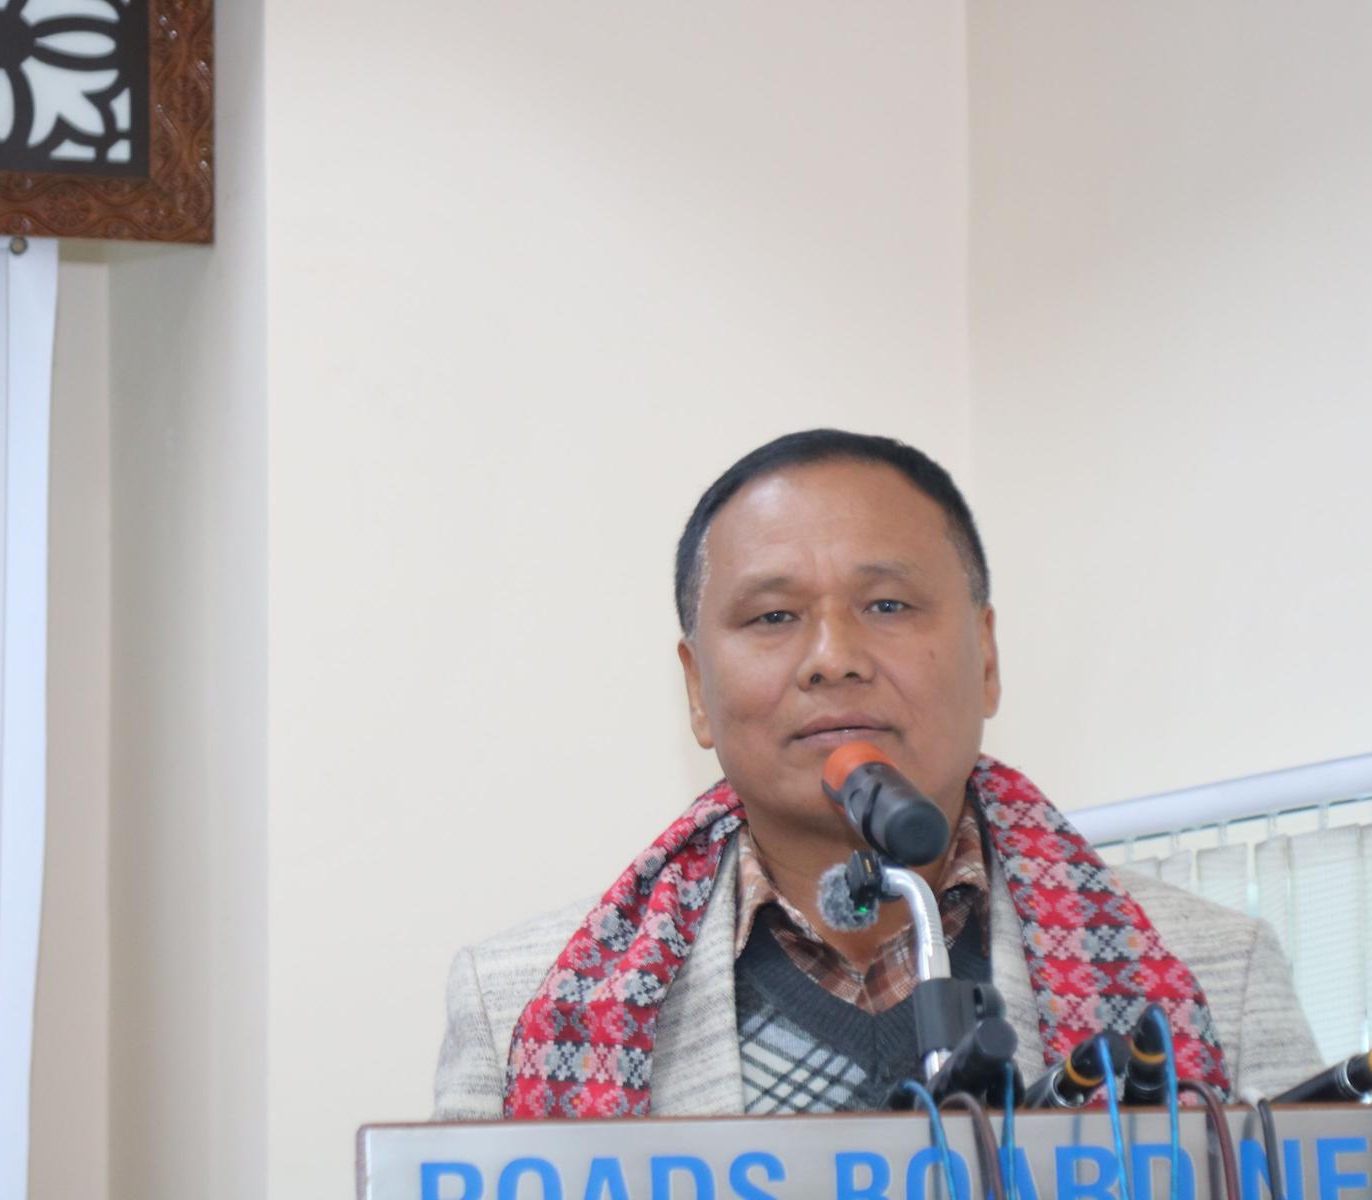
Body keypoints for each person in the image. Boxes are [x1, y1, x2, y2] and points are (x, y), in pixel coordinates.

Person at [433, 429, 1321, 1120]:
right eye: (774, 616)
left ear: (986, 658)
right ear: (698, 691)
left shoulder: (1217, 974)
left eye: (887, 605)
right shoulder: (518, 1008)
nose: (834, 657)